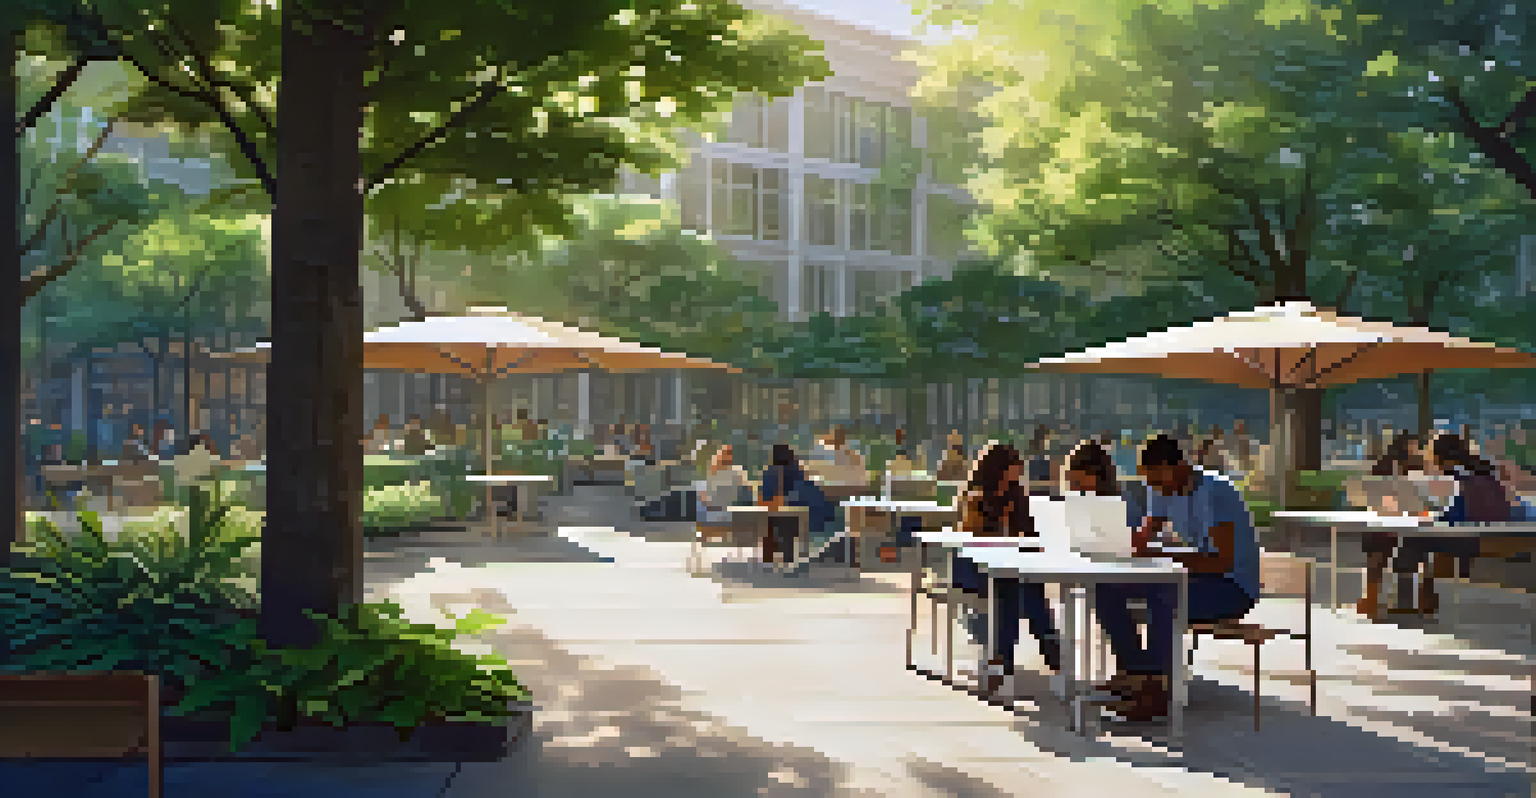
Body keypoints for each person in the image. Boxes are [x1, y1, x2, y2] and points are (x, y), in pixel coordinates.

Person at [1092, 434, 1260, 722]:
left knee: (1166, 596)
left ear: (1178, 466)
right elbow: (1144, 539)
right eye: (1149, 482)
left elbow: (1221, 562)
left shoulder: (1216, 492)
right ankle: (1137, 674)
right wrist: (1114, 542)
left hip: (1232, 587)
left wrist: (1164, 556)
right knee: (1107, 588)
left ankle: (1158, 694)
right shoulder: (1161, 490)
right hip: (1194, 578)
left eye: (1157, 480)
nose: (1155, 488)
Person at [951, 442, 1063, 694]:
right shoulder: (975, 496)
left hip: (1008, 567)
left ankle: (1005, 664)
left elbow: (1029, 534)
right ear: (999, 469)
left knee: (1028, 587)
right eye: (1014, 468)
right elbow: (972, 537)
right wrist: (1003, 521)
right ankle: (1048, 659)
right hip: (976, 568)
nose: (1018, 474)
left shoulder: (1017, 496)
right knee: (1016, 588)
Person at [1388, 433, 1520, 616]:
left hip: (1473, 538)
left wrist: (1430, 519)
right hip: (1497, 533)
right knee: (1428, 541)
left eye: (1430, 454)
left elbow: (1455, 519)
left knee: (1412, 542)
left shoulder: (1455, 477)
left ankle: (1406, 602)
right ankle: (1427, 599)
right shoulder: (1482, 471)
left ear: (1439, 457)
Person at [1354, 432, 1428, 619]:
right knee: (1379, 549)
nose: (1417, 451)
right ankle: (1372, 599)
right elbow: (1374, 496)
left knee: (1414, 549)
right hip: (1386, 519)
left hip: (1409, 520)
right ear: (1403, 448)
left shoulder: (1418, 468)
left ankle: (1409, 602)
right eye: (1414, 447)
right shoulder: (1385, 467)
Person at [758, 444, 837, 564]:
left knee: (781, 520)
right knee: (786, 520)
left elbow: (766, 499)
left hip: (789, 512)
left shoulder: (772, 473)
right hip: (810, 516)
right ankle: (786, 557)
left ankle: (777, 557)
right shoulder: (796, 473)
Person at [1063, 439, 1147, 531]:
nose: (1073, 489)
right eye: (1071, 483)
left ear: (1097, 477)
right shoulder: (1075, 509)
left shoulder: (1129, 505)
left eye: (1077, 483)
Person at [698, 444, 752, 523]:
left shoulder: (737, 472)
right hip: (717, 511)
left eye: (728, 454)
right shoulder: (735, 472)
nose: (727, 458)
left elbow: (747, 490)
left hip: (723, 511)